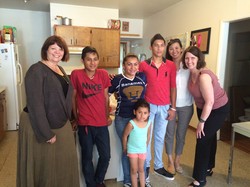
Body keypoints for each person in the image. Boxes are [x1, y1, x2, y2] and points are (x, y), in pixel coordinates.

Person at [17, 35, 80, 187]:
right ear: (46, 50)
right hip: (39, 125)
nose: (57, 52)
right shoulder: (36, 70)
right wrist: (46, 133)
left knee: (63, 161)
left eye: (61, 49)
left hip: (59, 121)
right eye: (53, 48)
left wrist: (71, 118)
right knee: (44, 165)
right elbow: (35, 104)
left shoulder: (60, 69)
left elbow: (64, 96)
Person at [182, 46, 229, 187]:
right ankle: (208, 167)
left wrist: (201, 122)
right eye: (187, 58)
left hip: (218, 109)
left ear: (198, 59)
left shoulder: (203, 76)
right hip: (203, 108)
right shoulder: (191, 72)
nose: (189, 61)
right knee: (210, 137)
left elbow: (210, 101)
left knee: (201, 139)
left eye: (193, 58)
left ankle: (200, 179)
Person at [70, 46, 112, 187]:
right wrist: (75, 118)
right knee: (87, 157)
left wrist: (107, 116)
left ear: (98, 60)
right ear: (83, 60)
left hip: (101, 124)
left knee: (105, 156)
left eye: (95, 59)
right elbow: (73, 98)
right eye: (89, 59)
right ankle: (91, 184)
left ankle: (98, 181)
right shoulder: (76, 74)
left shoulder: (103, 74)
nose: (92, 63)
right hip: (85, 123)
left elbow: (106, 97)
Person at [139, 33, 176, 184]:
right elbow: (140, 86)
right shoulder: (144, 65)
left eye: (162, 45)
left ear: (164, 47)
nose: (159, 48)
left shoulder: (171, 65)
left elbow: (173, 87)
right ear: (151, 47)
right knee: (147, 138)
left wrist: (173, 108)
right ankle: (147, 166)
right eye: (156, 45)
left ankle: (159, 166)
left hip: (165, 106)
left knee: (160, 137)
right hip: (149, 107)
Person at [109, 53, 147, 187]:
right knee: (127, 151)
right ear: (123, 66)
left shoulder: (142, 77)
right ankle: (128, 180)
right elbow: (105, 94)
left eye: (135, 64)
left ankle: (142, 178)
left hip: (139, 120)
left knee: (141, 148)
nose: (132, 67)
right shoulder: (117, 79)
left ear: (139, 66)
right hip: (123, 119)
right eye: (129, 64)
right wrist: (105, 112)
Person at [165, 39, 194, 174]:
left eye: (177, 48)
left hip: (186, 106)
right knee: (169, 134)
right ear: (168, 51)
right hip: (170, 106)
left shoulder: (188, 64)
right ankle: (170, 160)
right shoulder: (167, 65)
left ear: (181, 49)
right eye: (171, 49)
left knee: (181, 135)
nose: (174, 51)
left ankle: (177, 161)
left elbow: (200, 71)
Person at [122, 99, 152, 187]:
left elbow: (148, 135)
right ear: (134, 112)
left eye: (145, 113)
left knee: (141, 169)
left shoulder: (149, 123)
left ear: (149, 114)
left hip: (142, 150)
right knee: (134, 170)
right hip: (132, 150)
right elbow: (124, 136)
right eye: (140, 112)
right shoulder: (131, 123)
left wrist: (145, 146)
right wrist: (125, 148)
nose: (142, 115)